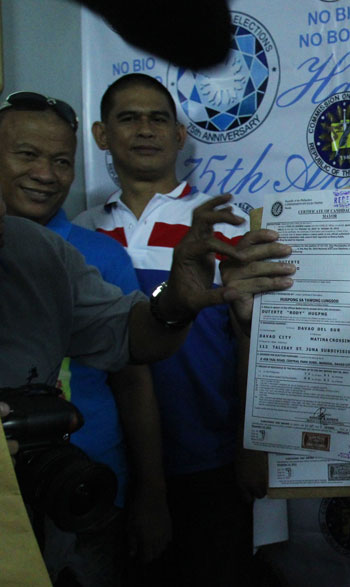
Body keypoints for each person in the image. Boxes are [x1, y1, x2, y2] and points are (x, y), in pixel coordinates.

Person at [74, 73, 263, 586]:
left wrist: (251, 444)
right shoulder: (82, 230)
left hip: (210, 456)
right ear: (100, 134)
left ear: (180, 136)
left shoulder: (222, 224)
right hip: (110, 462)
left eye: (158, 118)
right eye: (128, 118)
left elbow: (250, 337)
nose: (145, 129)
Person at [0, 90, 169, 585]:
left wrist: (150, 492)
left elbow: (134, 378)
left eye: (61, 161)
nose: (46, 174)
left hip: (86, 489)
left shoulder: (96, 253)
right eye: (27, 155)